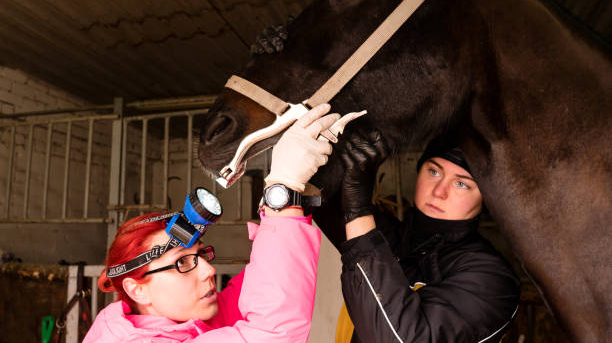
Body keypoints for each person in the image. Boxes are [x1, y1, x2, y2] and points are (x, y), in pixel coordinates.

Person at [83, 103, 340, 343]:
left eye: (200, 255)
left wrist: (292, 201)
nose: (209, 271)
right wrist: (282, 192)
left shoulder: (177, 322)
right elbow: (271, 332)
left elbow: (250, 296)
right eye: (182, 261)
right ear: (138, 291)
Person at [338, 132, 521, 342]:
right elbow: (322, 195)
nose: (439, 191)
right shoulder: (390, 236)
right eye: (434, 171)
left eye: (461, 184)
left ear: (485, 199)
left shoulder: (493, 279)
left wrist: (358, 210)